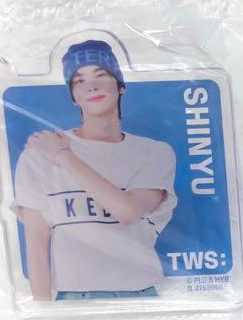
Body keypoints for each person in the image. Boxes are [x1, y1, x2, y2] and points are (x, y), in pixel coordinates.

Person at [12, 39, 177, 300]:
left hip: (139, 296)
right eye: (79, 80)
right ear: (73, 97)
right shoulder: (38, 154)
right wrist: (43, 315)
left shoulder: (154, 152)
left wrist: (63, 156)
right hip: (73, 299)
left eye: (101, 75)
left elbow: (128, 211)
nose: (92, 86)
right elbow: (36, 243)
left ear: (120, 86)